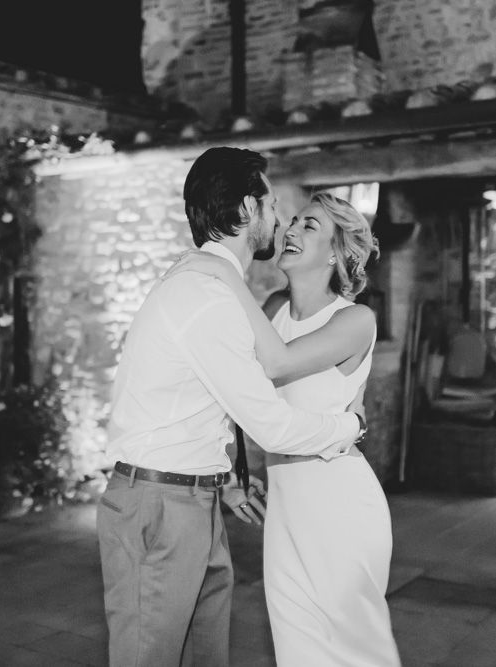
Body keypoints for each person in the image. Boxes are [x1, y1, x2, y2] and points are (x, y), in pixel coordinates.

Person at [96, 148, 367, 667]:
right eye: (270, 203)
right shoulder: (206, 295)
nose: (279, 218)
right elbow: (271, 423)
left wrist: (228, 476)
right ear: (247, 208)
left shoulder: (210, 286)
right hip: (161, 510)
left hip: (194, 502)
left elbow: (214, 402)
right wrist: (348, 426)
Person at [167, 191, 401, 666]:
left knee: (356, 646)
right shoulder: (273, 307)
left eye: (309, 226)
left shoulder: (355, 319)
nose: (290, 231)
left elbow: (277, 363)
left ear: (336, 252)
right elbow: (232, 389)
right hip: (284, 505)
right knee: (297, 648)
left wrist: (226, 275)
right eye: (292, 221)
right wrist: (238, 469)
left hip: (339, 500)